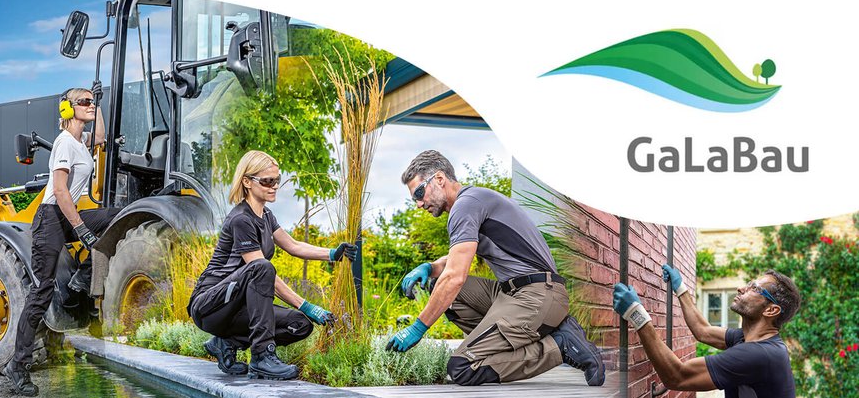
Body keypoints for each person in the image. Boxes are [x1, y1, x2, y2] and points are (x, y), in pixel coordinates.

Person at [388, 150, 605, 386]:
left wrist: (418, 328)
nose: (419, 204)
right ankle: (516, 340)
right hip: (515, 294)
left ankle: (559, 345)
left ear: (439, 179)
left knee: (462, 367)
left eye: (419, 193)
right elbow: (454, 258)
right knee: (439, 286)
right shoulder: (472, 201)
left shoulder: (465, 205)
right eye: (414, 199)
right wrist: (429, 268)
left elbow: (454, 276)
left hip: (538, 295)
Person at [187, 150, 354, 380]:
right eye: (267, 181)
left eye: (277, 180)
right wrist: (306, 305)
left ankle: (226, 342)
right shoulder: (240, 220)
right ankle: (262, 357)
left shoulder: (266, 215)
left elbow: (293, 245)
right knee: (262, 268)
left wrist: (334, 254)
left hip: (236, 309)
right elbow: (260, 272)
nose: (274, 186)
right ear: (247, 182)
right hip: (210, 306)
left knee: (299, 325)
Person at [5, 87, 122, 396]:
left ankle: (81, 279)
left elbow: (100, 138)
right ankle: (17, 366)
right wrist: (82, 228)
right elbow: (59, 190)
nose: (90, 105)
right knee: (41, 292)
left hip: (67, 216)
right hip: (50, 219)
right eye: (83, 102)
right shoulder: (63, 143)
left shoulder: (81, 142)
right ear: (67, 109)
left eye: (91, 101)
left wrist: (100, 105)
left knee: (118, 216)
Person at [613, 266, 800, 397]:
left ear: (771, 310)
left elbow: (678, 376)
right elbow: (703, 331)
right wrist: (680, 288)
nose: (741, 288)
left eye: (754, 288)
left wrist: (636, 314)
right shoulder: (749, 339)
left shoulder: (759, 354)